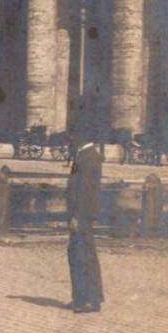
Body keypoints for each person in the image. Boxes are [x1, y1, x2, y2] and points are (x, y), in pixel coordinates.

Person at [66, 134, 104, 313]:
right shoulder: (83, 155)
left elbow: (85, 191)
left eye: (72, 138)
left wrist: (76, 216)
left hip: (82, 215)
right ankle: (80, 297)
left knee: (85, 255)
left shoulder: (89, 157)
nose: (69, 142)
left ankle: (92, 299)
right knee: (76, 254)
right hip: (79, 214)